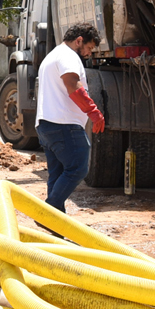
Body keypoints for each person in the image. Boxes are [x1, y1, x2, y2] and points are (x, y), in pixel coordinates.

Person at [34, 23, 106, 212]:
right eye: (89, 48)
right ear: (79, 41)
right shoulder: (68, 56)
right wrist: (93, 112)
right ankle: (48, 212)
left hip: (46, 125)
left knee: (57, 175)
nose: (89, 53)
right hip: (64, 125)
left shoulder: (53, 55)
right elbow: (72, 85)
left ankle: (55, 225)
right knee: (78, 169)